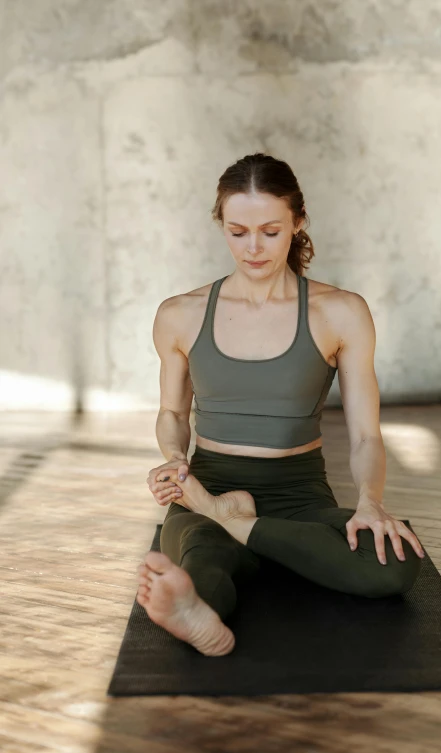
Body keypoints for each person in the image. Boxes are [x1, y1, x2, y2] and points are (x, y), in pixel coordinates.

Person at [137, 152, 425, 657]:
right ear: (220, 225)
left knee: (395, 562)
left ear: (298, 221)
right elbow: (173, 414)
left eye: (270, 231)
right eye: (237, 231)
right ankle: (200, 593)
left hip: (301, 496)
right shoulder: (179, 314)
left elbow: (365, 435)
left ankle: (228, 519)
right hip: (208, 483)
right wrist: (176, 461)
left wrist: (370, 503)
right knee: (204, 563)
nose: (253, 248)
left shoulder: (340, 312)